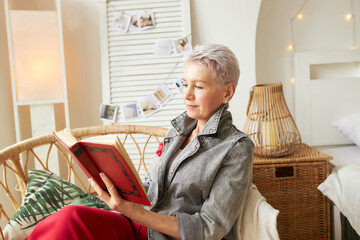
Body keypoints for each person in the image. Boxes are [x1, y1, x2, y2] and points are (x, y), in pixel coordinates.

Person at [28, 44, 254, 240]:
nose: (186, 95)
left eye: (198, 86)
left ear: (228, 92)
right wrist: (116, 186)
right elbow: (151, 188)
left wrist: (135, 213)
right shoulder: (177, 132)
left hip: (159, 234)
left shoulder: (236, 148)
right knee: (70, 218)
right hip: (135, 224)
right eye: (184, 84)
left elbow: (210, 227)